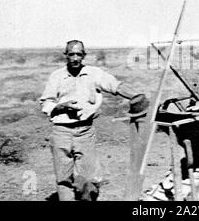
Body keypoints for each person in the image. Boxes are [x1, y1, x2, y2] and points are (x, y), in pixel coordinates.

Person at [40, 40, 149, 201]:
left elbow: (115, 85)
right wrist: (61, 107)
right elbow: (46, 102)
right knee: (64, 178)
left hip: (85, 132)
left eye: (79, 54)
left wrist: (135, 95)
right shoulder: (56, 76)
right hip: (61, 131)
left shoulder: (94, 73)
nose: (75, 58)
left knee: (89, 179)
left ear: (84, 55)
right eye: (71, 54)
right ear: (66, 55)